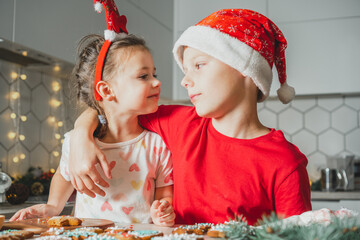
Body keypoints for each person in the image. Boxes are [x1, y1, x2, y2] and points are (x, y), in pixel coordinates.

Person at [67, 9, 312, 225]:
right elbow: (112, 106)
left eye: (199, 65)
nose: (185, 80)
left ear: (244, 69)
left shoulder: (285, 163)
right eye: (185, 70)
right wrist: (81, 136)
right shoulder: (179, 123)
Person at [9, 33, 175, 226]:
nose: (156, 82)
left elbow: (164, 191)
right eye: (143, 76)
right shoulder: (76, 142)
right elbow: (64, 176)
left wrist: (163, 209)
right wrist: (53, 206)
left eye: (154, 74)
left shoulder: (157, 144)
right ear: (106, 91)